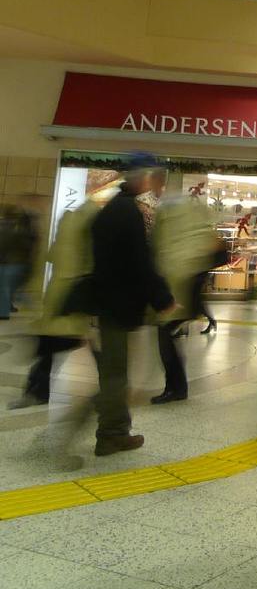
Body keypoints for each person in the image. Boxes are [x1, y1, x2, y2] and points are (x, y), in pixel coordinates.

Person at [90, 154, 176, 455]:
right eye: (150, 177)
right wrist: (162, 297)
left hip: (110, 302)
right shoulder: (126, 212)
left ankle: (114, 428)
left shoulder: (115, 208)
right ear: (142, 177)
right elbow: (140, 262)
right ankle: (110, 433)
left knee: (115, 371)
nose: (152, 184)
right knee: (114, 374)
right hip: (117, 304)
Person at [8, 202, 95, 410]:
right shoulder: (84, 227)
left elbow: (51, 256)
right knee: (53, 346)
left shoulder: (73, 224)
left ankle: (36, 391)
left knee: (51, 346)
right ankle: (37, 391)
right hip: (67, 298)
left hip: (63, 297)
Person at [151, 196, 225, 404]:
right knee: (167, 338)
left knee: (165, 338)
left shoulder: (179, 237)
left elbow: (175, 263)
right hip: (184, 294)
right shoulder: (194, 232)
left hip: (178, 294)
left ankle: (176, 387)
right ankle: (176, 387)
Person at [0, 202, 37, 319]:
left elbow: (4, 244)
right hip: (18, 261)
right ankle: (7, 308)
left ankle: (4, 312)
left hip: (9, 261)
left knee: (6, 287)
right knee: (9, 287)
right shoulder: (21, 229)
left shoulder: (9, 227)